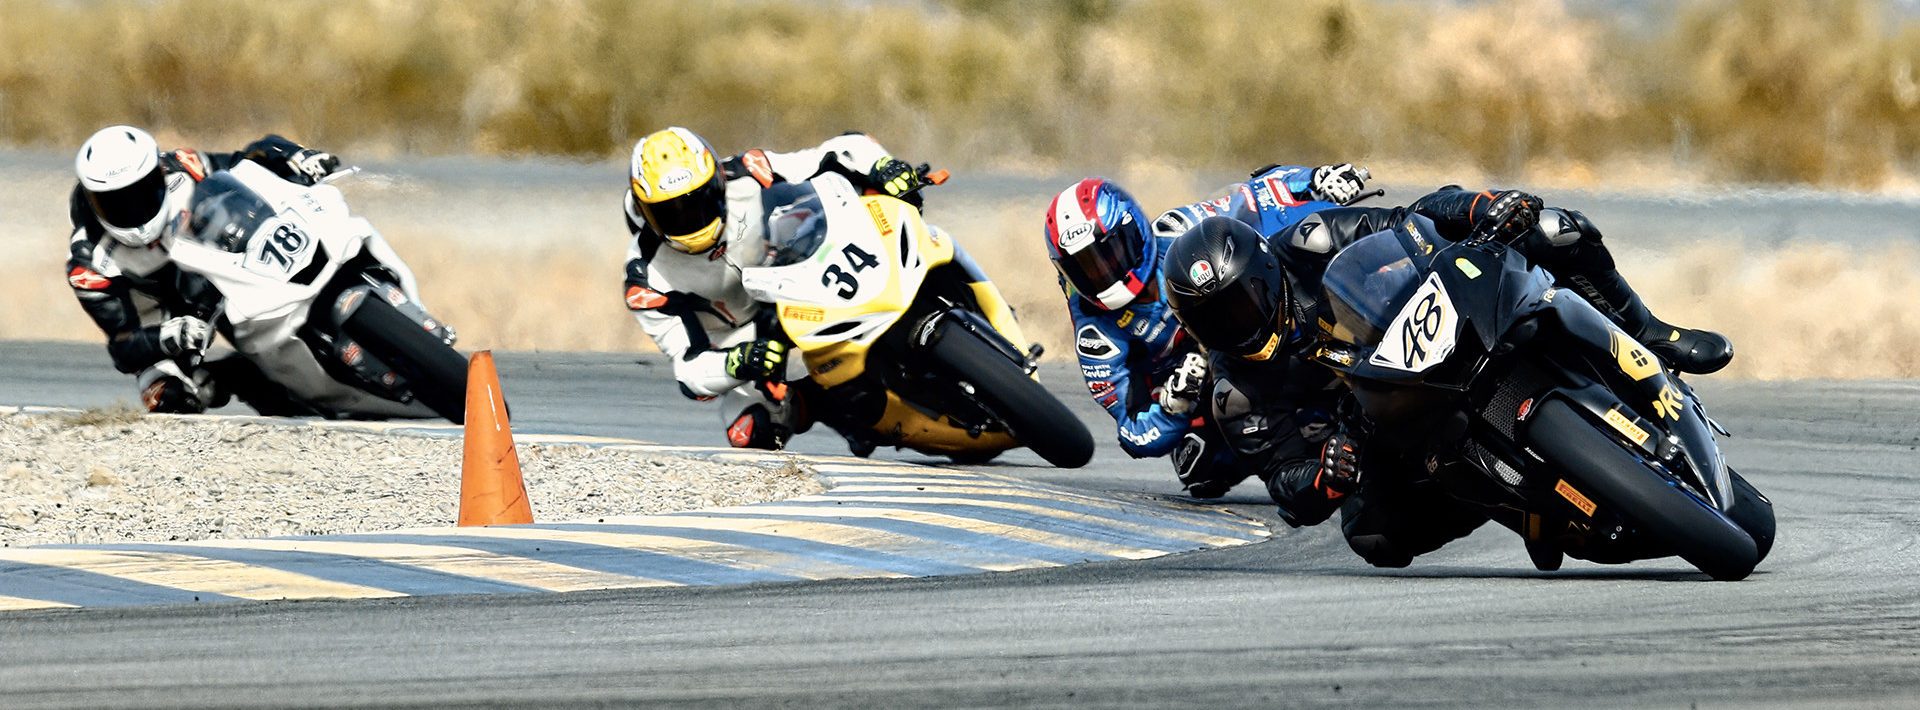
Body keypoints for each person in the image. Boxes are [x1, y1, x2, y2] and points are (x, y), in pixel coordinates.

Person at [1163, 185, 1733, 568]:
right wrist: (1325, 478)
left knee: (1556, 229)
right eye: (1215, 319)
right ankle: (1515, 505)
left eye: (1240, 303)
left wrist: (1479, 208)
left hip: (1436, 317)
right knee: (1374, 537)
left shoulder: (1311, 241)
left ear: (1265, 271)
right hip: (1379, 419)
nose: (1235, 324)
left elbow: (1413, 219)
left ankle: (1648, 331)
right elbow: (1284, 480)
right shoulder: (1235, 394)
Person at [1043, 164, 1371, 497]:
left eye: (1108, 253)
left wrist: (1314, 180)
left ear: (1135, 230)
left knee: (1317, 259)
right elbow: (1132, 434)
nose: (1103, 273)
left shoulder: (1179, 229)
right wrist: (1174, 406)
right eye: (1084, 268)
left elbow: (1254, 196)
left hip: (1266, 325)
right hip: (1215, 389)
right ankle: (1310, 456)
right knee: (1197, 464)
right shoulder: (1094, 333)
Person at [620, 127, 927, 449]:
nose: (689, 220)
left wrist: (882, 167)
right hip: (744, 337)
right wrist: (737, 361)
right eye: (670, 214)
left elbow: (841, 149)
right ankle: (830, 404)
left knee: (884, 196)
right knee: (751, 429)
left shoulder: (749, 171)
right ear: (645, 213)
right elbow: (689, 370)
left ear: (716, 181)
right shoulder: (646, 278)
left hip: (798, 279)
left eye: (698, 202)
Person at [66, 125, 341, 413]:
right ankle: (237, 377)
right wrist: (168, 336)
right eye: (114, 204)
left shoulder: (183, 167)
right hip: (163, 320)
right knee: (169, 399)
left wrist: (294, 155)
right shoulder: (88, 263)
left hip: (218, 266)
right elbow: (123, 346)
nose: (132, 210)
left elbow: (246, 162)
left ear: (157, 173)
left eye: (141, 194)